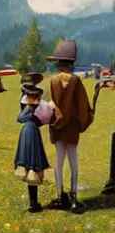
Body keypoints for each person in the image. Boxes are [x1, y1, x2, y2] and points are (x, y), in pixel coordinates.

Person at [46, 39, 94, 214]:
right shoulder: (76, 82)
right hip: (73, 127)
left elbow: (53, 104)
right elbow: (82, 107)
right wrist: (86, 119)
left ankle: (60, 197)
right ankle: (74, 198)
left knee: (59, 162)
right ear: (71, 65)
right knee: (73, 162)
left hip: (58, 127)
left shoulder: (53, 81)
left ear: (59, 64)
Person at [14, 73, 50, 212]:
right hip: (31, 133)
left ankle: (33, 202)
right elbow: (20, 117)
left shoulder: (26, 100)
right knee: (33, 165)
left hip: (28, 133)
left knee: (30, 165)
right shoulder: (30, 104)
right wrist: (35, 119)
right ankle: (33, 203)